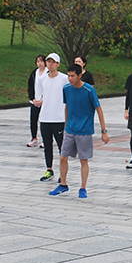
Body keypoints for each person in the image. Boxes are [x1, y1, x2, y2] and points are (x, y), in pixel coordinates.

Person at [49, 64, 110, 199]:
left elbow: (99, 109)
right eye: (68, 75)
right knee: (63, 157)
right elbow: (67, 107)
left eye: (73, 76)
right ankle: (63, 185)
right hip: (70, 129)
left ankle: (83, 188)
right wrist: (65, 127)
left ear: (79, 75)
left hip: (84, 130)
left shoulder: (89, 90)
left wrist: (103, 131)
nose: (70, 79)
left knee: (83, 160)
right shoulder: (66, 89)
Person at [34, 52, 68, 182]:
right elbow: (39, 97)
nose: (50, 64)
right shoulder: (42, 79)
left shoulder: (64, 79)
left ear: (58, 64)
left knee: (61, 147)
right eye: (48, 61)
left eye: (53, 62)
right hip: (45, 117)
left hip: (59, 118)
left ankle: (62, 172)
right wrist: (38, 101)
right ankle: (49, 169)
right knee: (47, 145)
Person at [26, 55, 47, 148]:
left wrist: (43, 100)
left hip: (45, 101)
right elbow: (30, 86)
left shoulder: (48, 73)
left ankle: (45, 140)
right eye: (38, 61)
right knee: (33, 120)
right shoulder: (34, 73)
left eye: (41, 61)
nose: (40, 63)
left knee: (44, 121)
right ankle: (34, 138)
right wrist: (33, 99)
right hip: (35, 101)